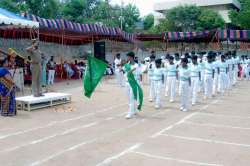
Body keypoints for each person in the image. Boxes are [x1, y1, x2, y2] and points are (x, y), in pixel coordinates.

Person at [120, 52, 139, 119]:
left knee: (131, 97)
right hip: (127, 82)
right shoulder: (127, 64)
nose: (127, 58)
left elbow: (133, 69)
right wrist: (119, 70)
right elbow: (123, 69)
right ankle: (134, 110)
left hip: (133, 83)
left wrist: (127, 72)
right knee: (129, 98)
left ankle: (130, 113)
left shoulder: (136, 64)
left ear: (131, 57)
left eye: (128, 57)